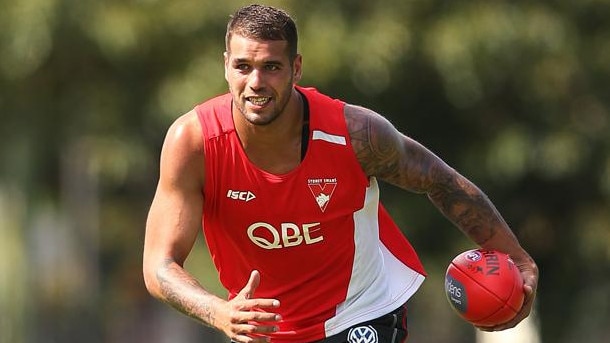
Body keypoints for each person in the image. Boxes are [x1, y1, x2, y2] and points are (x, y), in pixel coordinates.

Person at [143, 4, 538, 343]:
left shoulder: (357, 134)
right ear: (226, 65)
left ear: (296, 69)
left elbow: (440, 180)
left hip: (361, 311)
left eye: (272, 67)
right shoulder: (193, 143)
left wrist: (517, 257)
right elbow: (159, 265)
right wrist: (218, 312)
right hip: (265, 331)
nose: (256, 83)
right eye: (243, 66)